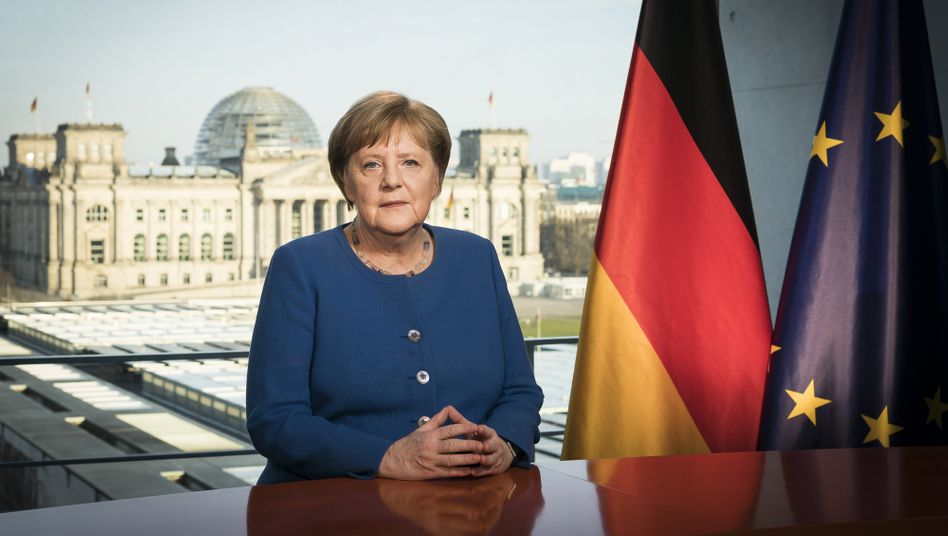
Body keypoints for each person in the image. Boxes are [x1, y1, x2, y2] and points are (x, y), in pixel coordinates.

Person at [246, 91, 544, 483]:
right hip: (335, 510)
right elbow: (275, 419)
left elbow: (520, 391)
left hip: (473, 507)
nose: (392, 181)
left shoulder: (477, 257)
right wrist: (386, 456)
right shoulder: (300, 267)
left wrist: (503, 444)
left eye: (411, 163)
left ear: (436, 179)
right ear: (345, 183)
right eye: (371, 165)